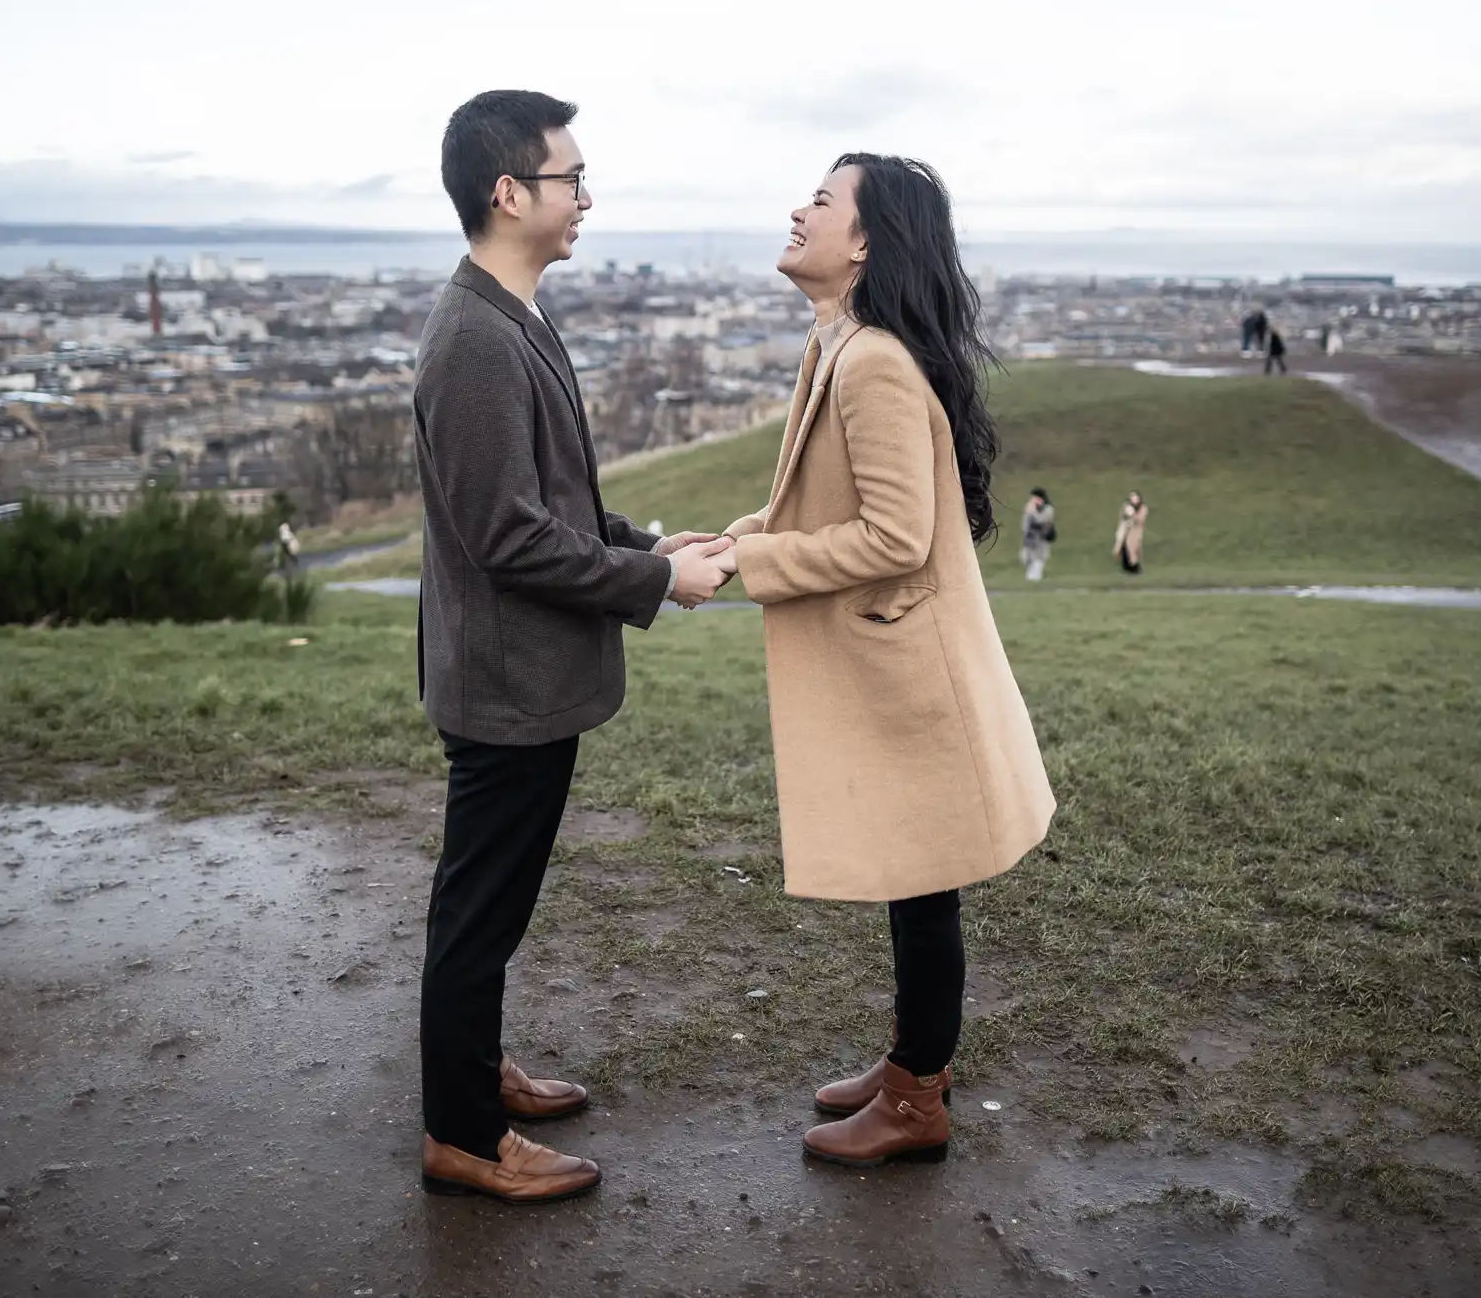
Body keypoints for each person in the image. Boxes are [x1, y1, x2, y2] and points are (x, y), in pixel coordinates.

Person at [409, 90, 735, 1204]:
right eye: (570, 179)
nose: (585, 198)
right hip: (504, 681)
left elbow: (553, 502)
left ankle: (473, 1070)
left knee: (492, 904)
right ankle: (460, 1131)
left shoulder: (514, 317)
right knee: (477, 908)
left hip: (524, 676)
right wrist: (653, 582)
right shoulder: (474, 340)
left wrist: (647, 544)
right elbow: (507, 540)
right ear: (509, 193)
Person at [711, 155, 1057, 1168]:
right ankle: (915, 1065)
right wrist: (722, 544)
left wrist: (751, 560)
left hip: (910, 673)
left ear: (862, 242)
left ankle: (914, 1101)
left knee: (923, 881)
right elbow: (818, 508)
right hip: (895, 663)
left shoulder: (868, 362)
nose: (795, 209)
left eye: (819, 201)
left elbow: (895, 538)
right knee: (916, 880)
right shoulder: (843, 343)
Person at [1020, 488, 1056, 582]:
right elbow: (1026, 524)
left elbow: (1041, 520)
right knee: (1027, 558)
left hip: (1041, 539)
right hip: (1030, 538)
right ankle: (1030, 578)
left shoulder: (1047, 509)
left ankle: (1034, 579)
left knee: (1038, 560)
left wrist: (1033, 512)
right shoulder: (1029, 508)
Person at [1113, 491, 1147, 574]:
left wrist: (1133, 515)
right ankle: (1126, 567)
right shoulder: (1127, 506)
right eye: (1132, 498)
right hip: (1125, 528)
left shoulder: (1143, 508)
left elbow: (1140, 520)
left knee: (1133, 548)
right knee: (1122, 547)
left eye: (1136, 498)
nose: (1134, 500)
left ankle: (1135, 568)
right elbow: (1123, 517)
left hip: (1135, 530)